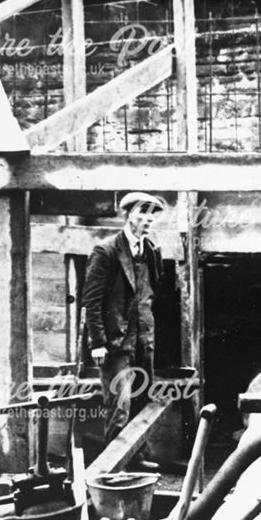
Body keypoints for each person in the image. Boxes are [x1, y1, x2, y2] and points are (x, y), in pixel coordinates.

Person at [82, 191, 165, 452]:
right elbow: (92, 301)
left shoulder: (151, 251)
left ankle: (136, 458)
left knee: (142, 400)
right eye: (142, 213)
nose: (148, 220)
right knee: (119, 406)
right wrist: (97, 343)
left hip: (143, 338)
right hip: (115, 342)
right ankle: (113, 472)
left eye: (152, 214)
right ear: (126, 215)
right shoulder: (105, 251)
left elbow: (151, 294)